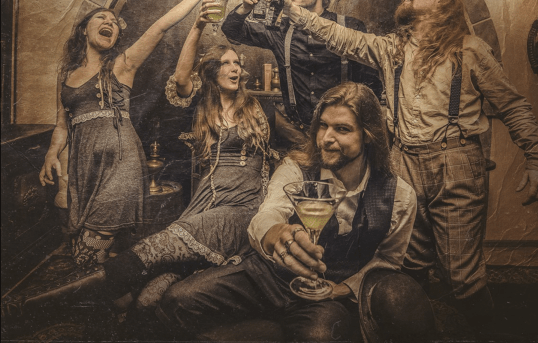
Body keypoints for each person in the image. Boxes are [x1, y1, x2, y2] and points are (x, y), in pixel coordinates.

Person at [272, 0, 538, 325]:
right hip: (403, 161)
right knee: (409, 264)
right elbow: (340, 36)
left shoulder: (469, 50)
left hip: (456, 162)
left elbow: (512, 105)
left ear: (443, 3)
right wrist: (294, 12)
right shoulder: (392, 48)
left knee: (461, 274)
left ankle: (485, 331)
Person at [2, 0, 277, 320]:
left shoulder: (261, 109)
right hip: (179, 195)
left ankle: (29, 307)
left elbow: (158, 28)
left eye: (238, 63)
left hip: (222, 200)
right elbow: (181, 79)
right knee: (139, 295)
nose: (236, 68)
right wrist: (52, 153)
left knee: (112, 251)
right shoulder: (204, 106)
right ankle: (110, 313)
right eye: (226, 63)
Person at [155, 83, 435, 343]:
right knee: (179, 299)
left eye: (342, 129)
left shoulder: (399, 195)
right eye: (322, 126)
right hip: (268, 276)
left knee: (321, 335)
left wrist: (342, 289)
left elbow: (387, 260)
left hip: (325, 295)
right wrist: (276, 233)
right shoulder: (296, 169)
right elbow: (268, 215)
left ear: (368, 136)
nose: (326, 138)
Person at [38, 0, 219, 268]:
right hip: (85, 169)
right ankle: (128, 289)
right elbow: (62, 124)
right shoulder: (67, 74)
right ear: (84, 30)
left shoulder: (122, 65)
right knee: (91, 254)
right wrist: (51, 153)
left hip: (120, 164)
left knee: (87, 254)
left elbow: (159, 27)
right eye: (102, 18)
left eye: (114, 22)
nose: (110, 23)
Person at [221, 0, 382, 145]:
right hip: (297, 137)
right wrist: (245, 8)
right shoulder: (281, 30)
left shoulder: (350, 27)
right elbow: (231, 30)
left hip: (342, 136)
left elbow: (371, 88)